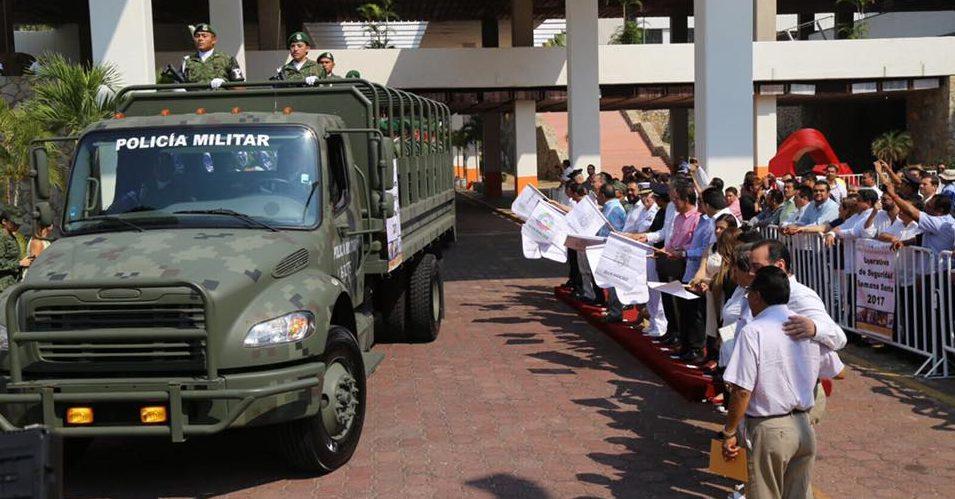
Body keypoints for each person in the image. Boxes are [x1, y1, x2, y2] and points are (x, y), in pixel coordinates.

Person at [721, 266, 843, 499]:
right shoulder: (805, 327)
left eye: (749, 294)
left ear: (757, 296)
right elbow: (838, 371)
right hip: (804, 428)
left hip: (770, 429)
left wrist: (730, 431)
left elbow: (742, 391)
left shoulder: (753, 331)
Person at [181, 23, 244, 88]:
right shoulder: (187, 61)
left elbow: (240, 87)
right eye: (197, 36)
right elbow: (177, 83)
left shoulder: (227, 60)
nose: (200, 39)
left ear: (213, 40)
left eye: (204, 36)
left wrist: (225, 84)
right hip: (196, 97)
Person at [0, 211, 23, 291]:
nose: (18, 225)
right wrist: (19, 263)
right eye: (14, 223)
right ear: (4, 222)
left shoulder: (10, 236)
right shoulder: (2, 237)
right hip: (3, 285)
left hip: (11, 283)